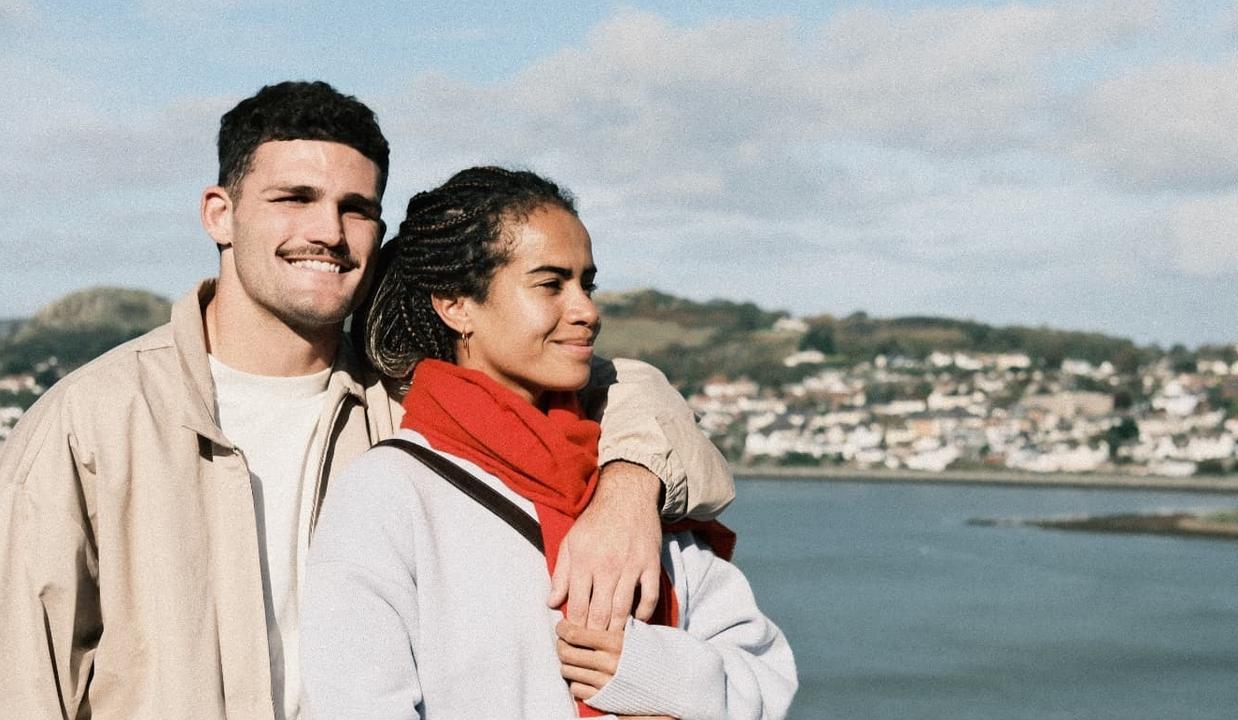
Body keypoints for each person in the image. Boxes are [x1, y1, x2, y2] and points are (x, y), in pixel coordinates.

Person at [0, 82, 736, 720]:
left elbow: (624, 385)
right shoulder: (88, 423)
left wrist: (628, 489)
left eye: (356, 208)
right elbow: (23, 681)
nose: (327, 231)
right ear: (218, 213)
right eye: (294, 199)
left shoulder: (415, 402)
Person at [301, 166, 796, 719]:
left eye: (587, 283)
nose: (587, 310)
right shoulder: (390, 495)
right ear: (456, 304)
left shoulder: (631, 482)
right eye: (550, 284)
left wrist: (657, 673)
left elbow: (765, 675)